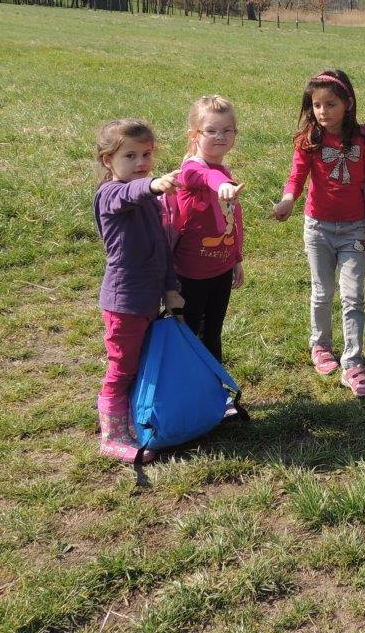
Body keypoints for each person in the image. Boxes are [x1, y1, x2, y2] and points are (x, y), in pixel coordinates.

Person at [272, 70, 365, 398]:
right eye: (317, 105)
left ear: (348, 103)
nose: (323, 111)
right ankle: (320, 347)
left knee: (353, 297)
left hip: (353, 228)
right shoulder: (308, 138)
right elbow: (296, 177)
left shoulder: (364, 136)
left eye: (331, 104)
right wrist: (287, 201)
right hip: (318, 229)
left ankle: (353, 363)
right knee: (322, 293)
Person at [92, 118, 181, 464]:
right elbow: (128, 193)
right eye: (129, 155)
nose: (140, 162)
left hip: (148, 298)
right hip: (124, 302)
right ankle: (112, 436)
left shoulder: (149, 199)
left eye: (145, 154)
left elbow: (161, 248)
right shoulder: (111, 194)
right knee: (121, 367)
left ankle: (132, 419)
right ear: (107, 160)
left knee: (139, 363)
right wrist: (155, 185)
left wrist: (171, 288)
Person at [172, 95, 244, 363]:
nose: (220, 136)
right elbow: (206, 178)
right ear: (194, 135)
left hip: (221, 270)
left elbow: (233, 219)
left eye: (227, 130)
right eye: (211, 130)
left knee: (212, 333)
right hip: (191, 274)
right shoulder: (191, 169)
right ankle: (187, 391)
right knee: (188, 334)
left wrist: (236, 258)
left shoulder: (223, 168)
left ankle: (216, 392)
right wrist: (222, 183)